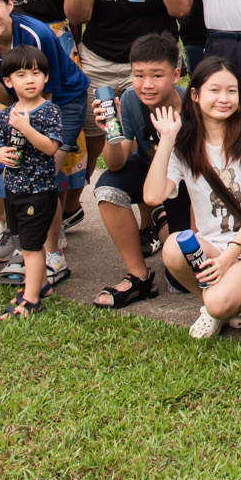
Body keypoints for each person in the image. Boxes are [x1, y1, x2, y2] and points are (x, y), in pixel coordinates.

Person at [0, 0, 91, 290]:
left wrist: (29, 137)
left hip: (62, 100)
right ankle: (30, 246)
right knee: (23, 176)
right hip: (23, 107)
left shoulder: (36, 33)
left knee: (43, 175)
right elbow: (6, 99)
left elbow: (44, 100)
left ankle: (52, 255)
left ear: (9, 4)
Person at [145, 57, 241, 339]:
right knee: (172, 248)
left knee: (218, 303)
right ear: (195, 95)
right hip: (210, 245)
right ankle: (221, 306)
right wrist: (168, 139)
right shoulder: (185, 145)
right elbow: (153, 196)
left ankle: (221, 305)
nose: (224, 99)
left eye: (231, 91)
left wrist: (227, 259)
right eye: (215, 90)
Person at [89, 31, 183, 311]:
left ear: (176, 75)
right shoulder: (131, 99)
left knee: (179, 281)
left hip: (185, 185)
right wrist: (110, 132)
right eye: (139, 75)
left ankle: (162, 219)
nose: (147, 84)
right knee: (107, 188)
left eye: (157, 75)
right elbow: (116, 164)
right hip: (147, 172)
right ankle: (138, 276)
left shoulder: (193, 105)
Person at [0, 46, 64, 319]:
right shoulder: (6, 113)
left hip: (39, 191)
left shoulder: (49, 111)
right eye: (21, 75)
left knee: (30, 247)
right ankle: (41, 286)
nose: (30, 80)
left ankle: (31, 300)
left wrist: (27, 129)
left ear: (46, 77)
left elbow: (51, 148)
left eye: (36, 73)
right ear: (8, 81)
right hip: (13, 188)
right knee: (27, 242)